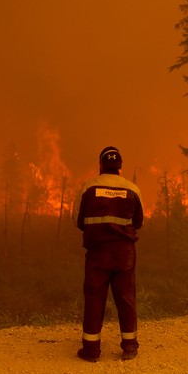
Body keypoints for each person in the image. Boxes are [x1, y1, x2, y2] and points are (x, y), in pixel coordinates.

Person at [73, 146, 144, 362]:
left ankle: (91, 351)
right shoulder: (132, 189)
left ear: (101, 165)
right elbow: (138, 222)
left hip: (98, 254)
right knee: (126, 299)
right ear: (120, 167)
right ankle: (130, 347)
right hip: (125, 255)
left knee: (94, 300)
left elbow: (79, 221)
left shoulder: (89, 187)